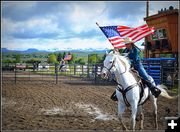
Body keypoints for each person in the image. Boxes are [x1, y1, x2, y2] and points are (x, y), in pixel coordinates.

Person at [111, 37, 161, 101]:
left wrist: (126, 60)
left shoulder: (135, 50)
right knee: (122, 77)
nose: (126, 45)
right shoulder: (125, 50)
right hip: (129, 67)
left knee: (145, 76)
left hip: (137, 66)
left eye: (127, 44)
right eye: (125, 44)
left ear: (131, 43)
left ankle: (153, 89)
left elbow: (135, 60)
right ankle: (118, 92)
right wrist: (117, 52)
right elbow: (122, 57)